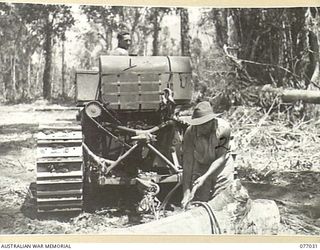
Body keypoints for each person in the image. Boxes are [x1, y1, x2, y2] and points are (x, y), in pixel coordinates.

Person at [181, 101, 234, 208]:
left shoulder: (224, 129)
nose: (202, 127)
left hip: (222, 166)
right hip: (201, 164)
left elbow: (221, 157)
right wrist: (186, 192)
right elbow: (188, 162)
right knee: (199, 200)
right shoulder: (190, 133)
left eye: (205, 124)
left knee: (221, 200)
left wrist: (205, 176)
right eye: (199, 125)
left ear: (212, 120)